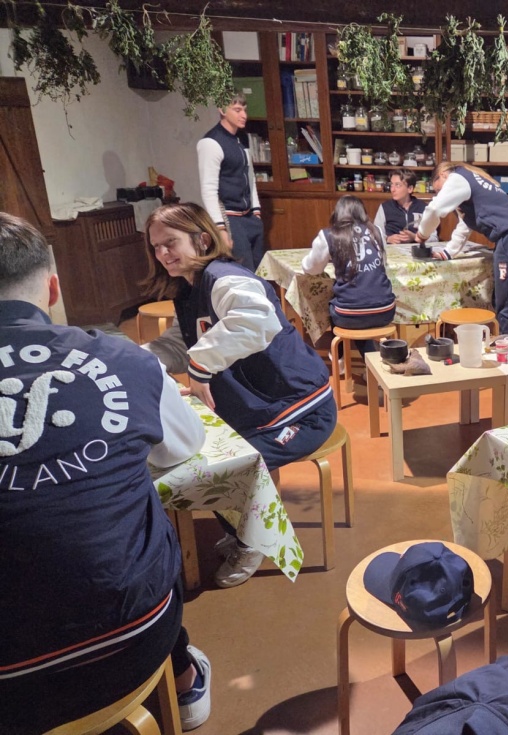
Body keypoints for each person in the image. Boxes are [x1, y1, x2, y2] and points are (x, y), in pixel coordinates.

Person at [0, 212, 211, 732]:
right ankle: (183, 679)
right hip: (134, 637)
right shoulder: (124, 358)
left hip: (12, 684)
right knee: (137, 506)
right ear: (52, 290)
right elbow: (184, 445)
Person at [142, 202, 336, 588]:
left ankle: (252, 541)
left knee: (225, 465)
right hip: (260, 405)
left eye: (170, 242)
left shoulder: (225, 277)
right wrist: (133, 360)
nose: (163, 253)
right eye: (156, 247)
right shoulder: (190, 288)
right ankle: (244, 528)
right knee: (198, 455)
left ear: (202, 239)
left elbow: (254, 321)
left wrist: (199, 366)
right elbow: (181, 343)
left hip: (301, 411)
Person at [415, 162, 508, 336]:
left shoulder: (458, 178)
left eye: (439, 190)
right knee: (500, 299)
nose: (440, 194)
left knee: (507, 303)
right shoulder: (470, 181)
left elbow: (434, 208)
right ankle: (503, 341)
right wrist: (448, 252)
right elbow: (465, 224)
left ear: (443, 174)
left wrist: (422, 233)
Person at [304, 195, 397, 355]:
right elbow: (383, 262)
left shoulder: (329, 235)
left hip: (349, 316)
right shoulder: (377, 231)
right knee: (359, 305)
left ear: (337, 213)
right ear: (363, 212)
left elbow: (311, 269)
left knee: (339, 304)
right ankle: (371, 360)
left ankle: (339, 358)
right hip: (386, 311)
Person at [197, 92, 265, 271]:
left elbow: (250, 177)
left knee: (260, 270)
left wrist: (256, 212)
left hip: (249, 217)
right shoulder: (211, 142)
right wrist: (220, 229)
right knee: (244, 271)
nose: (244, 115)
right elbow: (208, 189)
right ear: (222, 110)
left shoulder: (243, 138)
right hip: (229, 218)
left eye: (244, 110)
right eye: (237, 110)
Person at [374, 169, 437, 244]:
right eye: (391, 185)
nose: (392, 189)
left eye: (397, 185)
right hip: (392, 248)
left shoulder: (423, 208)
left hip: (415, 249)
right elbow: (375, 235)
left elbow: (434, 238)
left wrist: (415, 237)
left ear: (410, 189)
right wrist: (387, 239)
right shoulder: (385, 207)